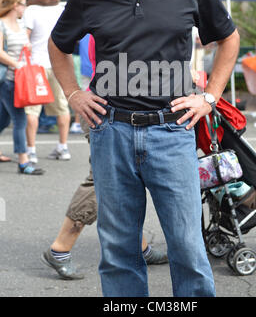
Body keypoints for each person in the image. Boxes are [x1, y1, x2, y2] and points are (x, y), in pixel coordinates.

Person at [48, 0, 240, 297]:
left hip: (171, 132)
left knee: (188, 246)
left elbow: (229, 39)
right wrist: (74, 94)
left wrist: (209, 97)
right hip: (110, 132)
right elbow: (58, 44)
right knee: (118, 250)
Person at [42, 33, 168, 280]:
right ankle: (59, 248)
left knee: (128, 179)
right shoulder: (104, 15)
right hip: (106, 110)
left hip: (115, 109)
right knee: (100, 182)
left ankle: (140, 247)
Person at [0, 0, 44, 175]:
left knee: (4, 118)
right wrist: (17, 64)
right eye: (23, 4)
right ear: (15, 5)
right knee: (20, 119)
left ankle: (23, 160)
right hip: (7, 79)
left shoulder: (20, 24)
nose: (25, 8)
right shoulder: (1, 25)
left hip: (20, 79)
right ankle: (23, 161)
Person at [23, 3, 71, 163]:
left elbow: (25, 38)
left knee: (32, 109)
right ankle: (63, 147)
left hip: (36, 65)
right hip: (57, 63)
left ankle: (31, 151)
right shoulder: (62, 7)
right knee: (62, 106)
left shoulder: (32, 10)